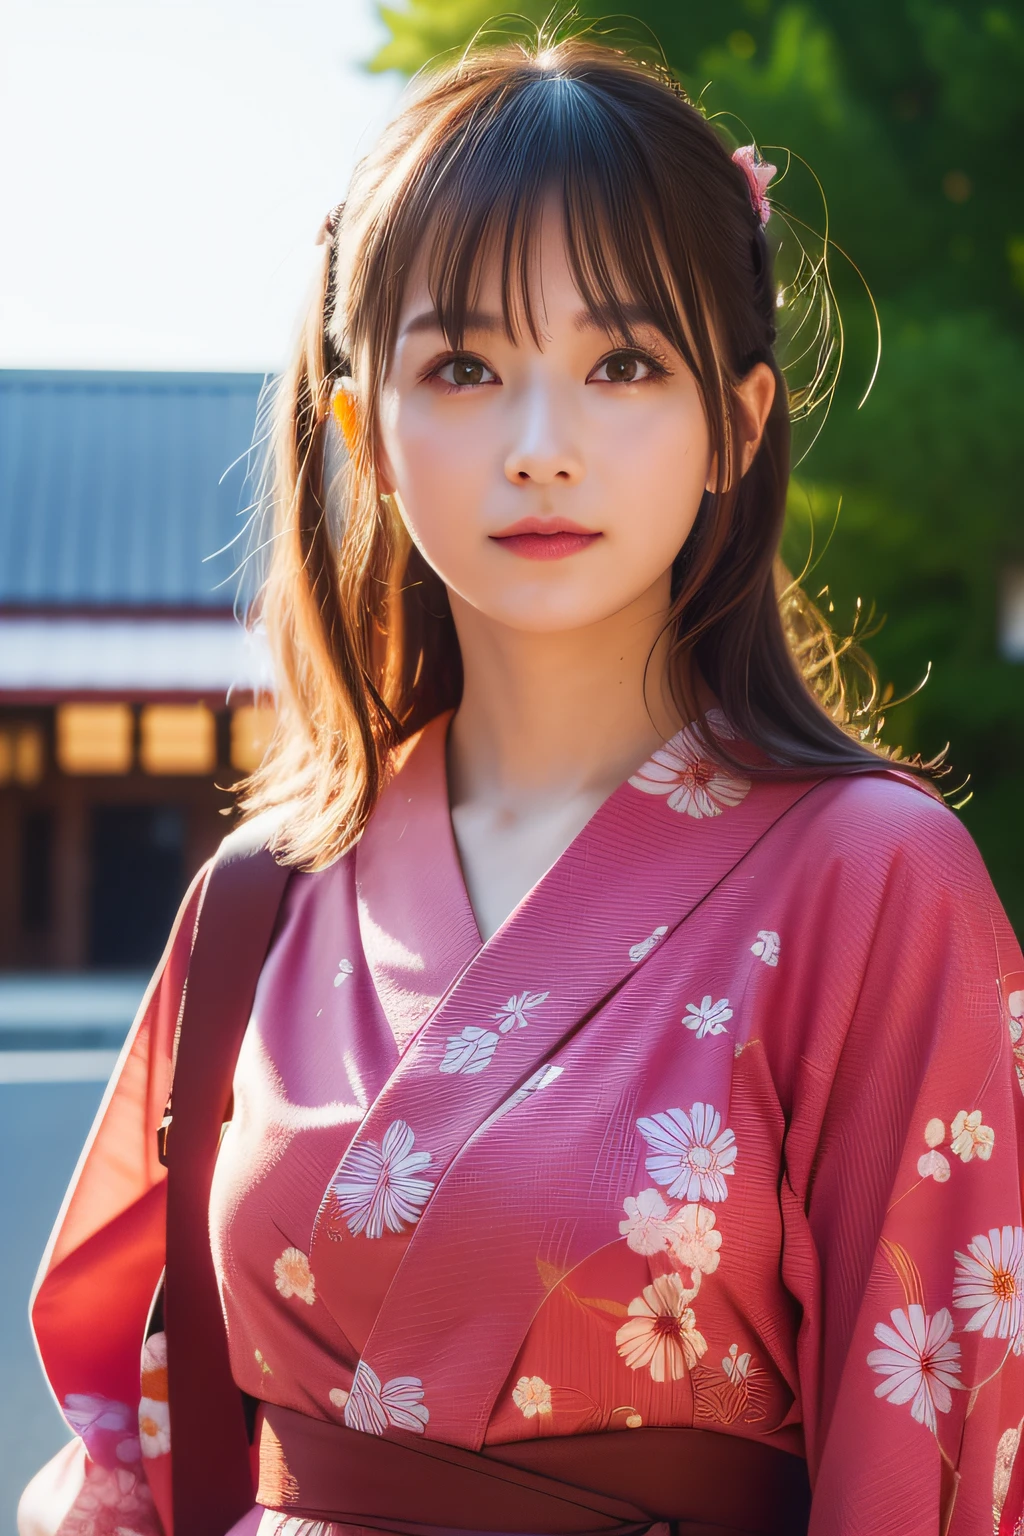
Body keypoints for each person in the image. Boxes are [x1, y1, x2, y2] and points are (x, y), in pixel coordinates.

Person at [18, 33, 1024, 1536]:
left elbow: (936, 1447)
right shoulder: (264, 901)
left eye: (623, 363)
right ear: (365, 430)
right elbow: (137, 1437)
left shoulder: (874, 877)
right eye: (465, 368)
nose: (542, 448)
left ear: (735, 428)